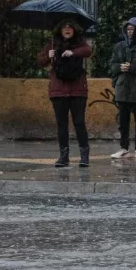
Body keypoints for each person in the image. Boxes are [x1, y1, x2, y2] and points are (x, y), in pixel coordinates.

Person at [37, 19, 93, 167]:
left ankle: (84, 156)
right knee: (62, 124)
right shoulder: (53, 44)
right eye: (64, 27)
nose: (67, 30)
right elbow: (40, 61)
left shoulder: (80, 43)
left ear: (74, 30)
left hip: (77, 89)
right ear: (59, 30)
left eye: (70, 27)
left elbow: (88, 51)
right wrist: (48, 56)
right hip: (58, 90)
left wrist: (73, 52)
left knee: (79, 122)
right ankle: (63, 156)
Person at [110, 17, 136, 160]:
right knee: (123, 122)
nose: (130, 32)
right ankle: (124, 148)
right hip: (123, 89)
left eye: (132, 29)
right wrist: (119, 68)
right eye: (128, 29)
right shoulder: (119, 47)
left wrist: (132, 68)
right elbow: (112, 66)